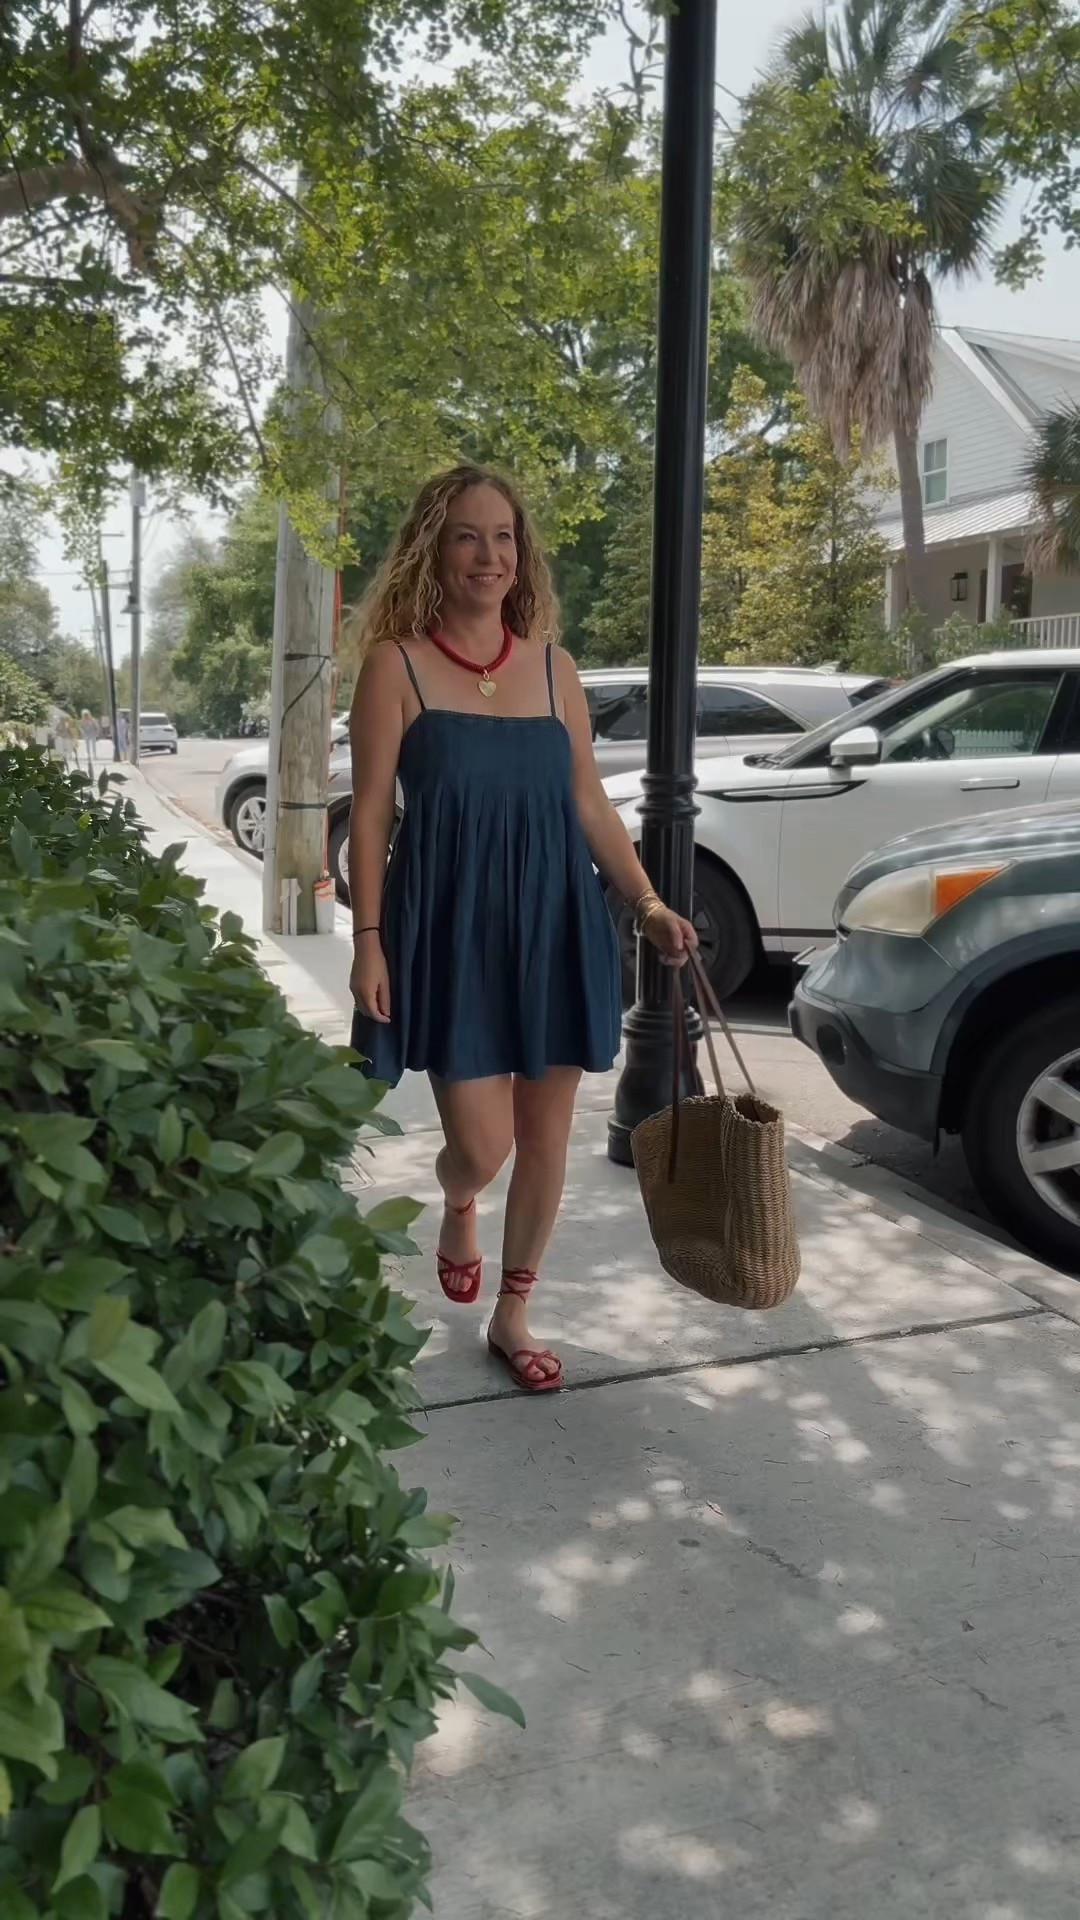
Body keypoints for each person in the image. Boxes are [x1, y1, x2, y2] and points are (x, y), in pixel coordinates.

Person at [347, 464, 697, 1394]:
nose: (489, 556)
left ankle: (514, 1312)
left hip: (557, 918)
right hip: (454, 926)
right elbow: (374, 813)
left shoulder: (553, 667)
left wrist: (649, 903)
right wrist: (369, 941)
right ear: (434, 547)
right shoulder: (398, 666)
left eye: (504, 537)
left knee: (547, 1138)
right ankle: (458, 1193)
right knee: (486, 1145)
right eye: (468, 535)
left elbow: (589, 803)